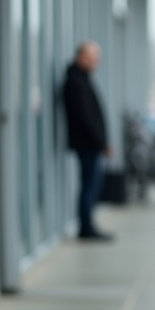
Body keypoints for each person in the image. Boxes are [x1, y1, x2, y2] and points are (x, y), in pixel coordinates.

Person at [63, 40, 112, 241]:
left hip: (89, 143)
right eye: (91, 57)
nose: (95, 62)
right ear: (80, 56)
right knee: (89, 185)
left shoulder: (81, 78)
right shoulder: (76, 81)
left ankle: (88, 225)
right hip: (87, 144)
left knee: (91, 184)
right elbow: (85, 117)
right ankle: (86, 227)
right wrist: (101, 142)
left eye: (97, 58)